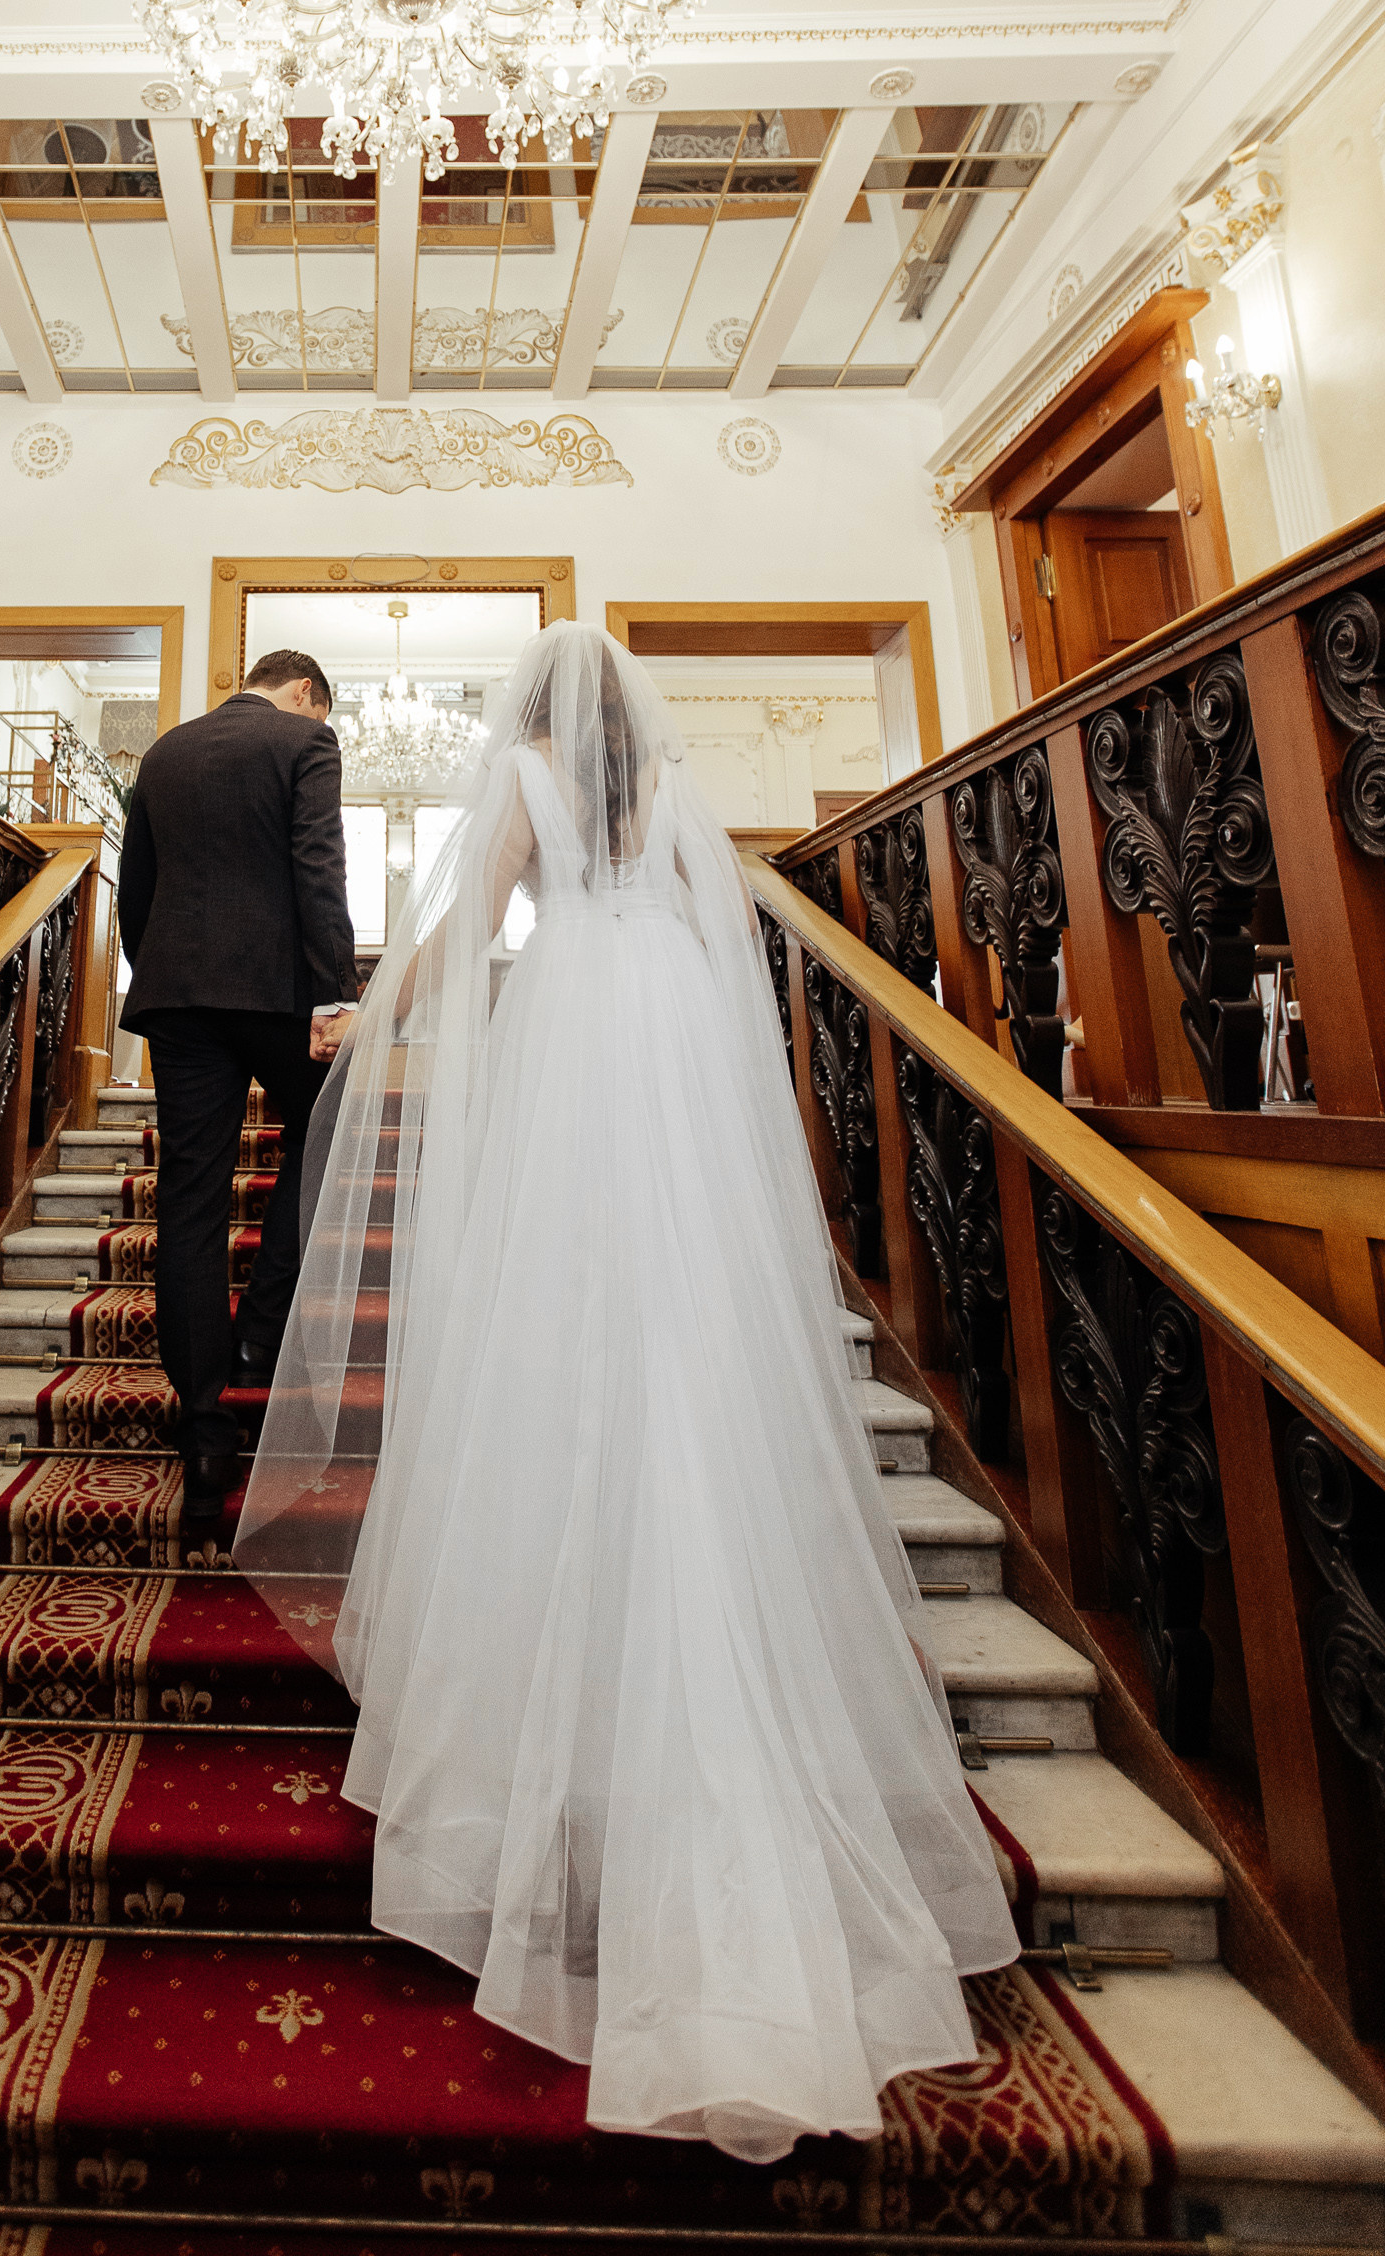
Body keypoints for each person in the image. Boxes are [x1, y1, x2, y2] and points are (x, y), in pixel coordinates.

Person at [236, 622, 1017, 2160]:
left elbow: (468, 931)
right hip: (666, 1045)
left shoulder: (520, 775)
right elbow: (727, 934)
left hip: (574, 1038)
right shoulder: (668, 786)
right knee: (683, 1318)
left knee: (556, 1312)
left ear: (534, 716)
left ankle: (550, 1733)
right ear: (629, 719)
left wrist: (371, 1011)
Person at [117, 647, 360, 1517]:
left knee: (188, 1197)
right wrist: (337, 992)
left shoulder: (166, 749)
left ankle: (203, 1424)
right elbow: (317, 866)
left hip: (179, 996)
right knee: (331, 1120)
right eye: (320, 711)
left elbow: (133, 889)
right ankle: (262, 1333)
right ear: (304, 693)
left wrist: (169, 976)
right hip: (276, 994)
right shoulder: (305, 743)